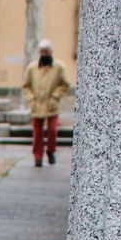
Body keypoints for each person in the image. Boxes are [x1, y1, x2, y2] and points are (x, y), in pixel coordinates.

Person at [22, 38, 71, 168]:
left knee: (53, 130)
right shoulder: (32, 68)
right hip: (37, 104)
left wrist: (55, 96)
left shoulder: (59, 67)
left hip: (51, 104)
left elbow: (65, 84)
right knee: (37, 133)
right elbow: (26, 86)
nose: (44, 54)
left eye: (46, 52)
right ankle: (38, 156)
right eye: (42, 52)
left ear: (50, 52)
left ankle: (51, 151)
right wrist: (31, 98)